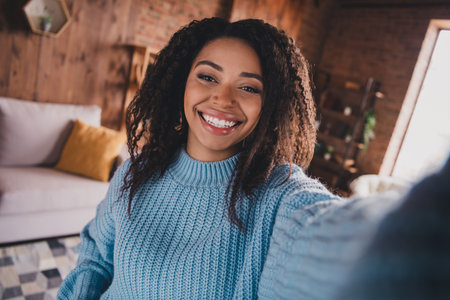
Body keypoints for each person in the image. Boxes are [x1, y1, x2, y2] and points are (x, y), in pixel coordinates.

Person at [57, 17, 339, 299]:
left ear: (270, 104)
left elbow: (336, 231)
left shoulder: (277, 192)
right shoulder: (136, 170)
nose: (223, 98)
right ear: (183, 82)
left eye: (249, 87)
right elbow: (95, 259)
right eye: (208, 77)